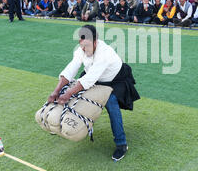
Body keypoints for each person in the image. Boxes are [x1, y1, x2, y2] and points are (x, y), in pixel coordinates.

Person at [47, 25, 140, 161]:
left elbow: (89, 80)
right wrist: (56, 91)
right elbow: (71, 69)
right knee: (71, 92)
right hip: (92, 75)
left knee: (111, 103)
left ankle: (121, 144)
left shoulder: (104, 53)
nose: (85, 50)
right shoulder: (81, 50)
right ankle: (61, 123)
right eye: (83, 46)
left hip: (115, 80)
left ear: (96, 41)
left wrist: (67, 94)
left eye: (88, 46)